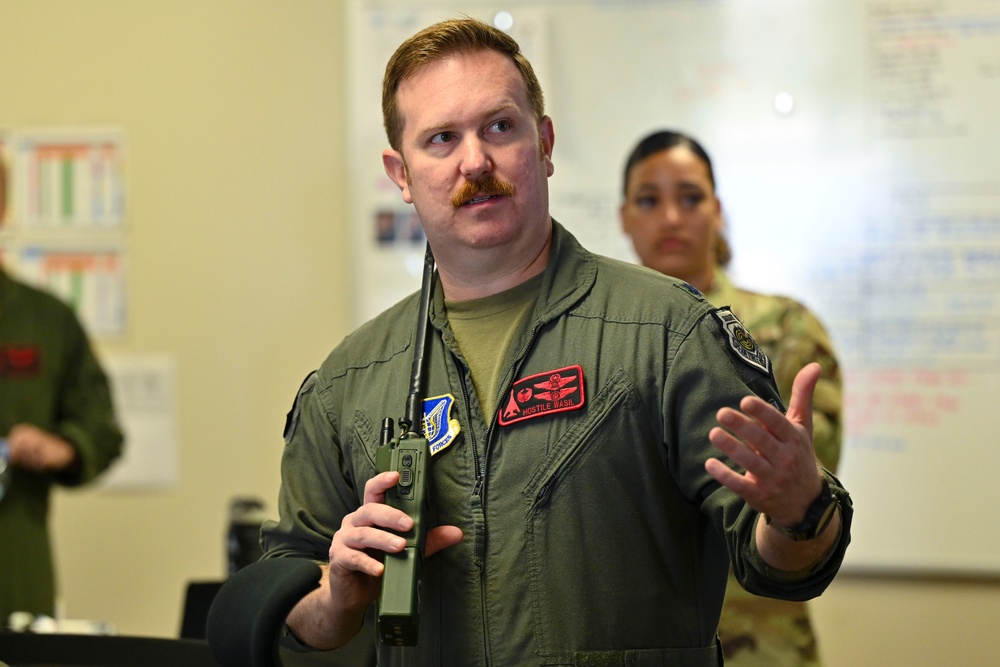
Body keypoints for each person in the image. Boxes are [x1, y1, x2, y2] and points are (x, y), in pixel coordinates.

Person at [261, 18, 852, 666]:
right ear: (401, 173)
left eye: (499, 127)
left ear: (543, 143)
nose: (474, 161)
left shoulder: (667, 334)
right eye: (440, 139)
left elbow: (780, 565)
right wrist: (337, 598)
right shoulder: (349, 380)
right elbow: (291, 595)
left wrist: (800, 510)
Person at [620, 129, 843, 666]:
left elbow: (811, 477)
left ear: (717, 210)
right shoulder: (600, 340)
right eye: (649, 200)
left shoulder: (781, 327)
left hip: (761, 635)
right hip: (640, 636)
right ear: (625, 217)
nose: (671, 217)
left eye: (690, 197)